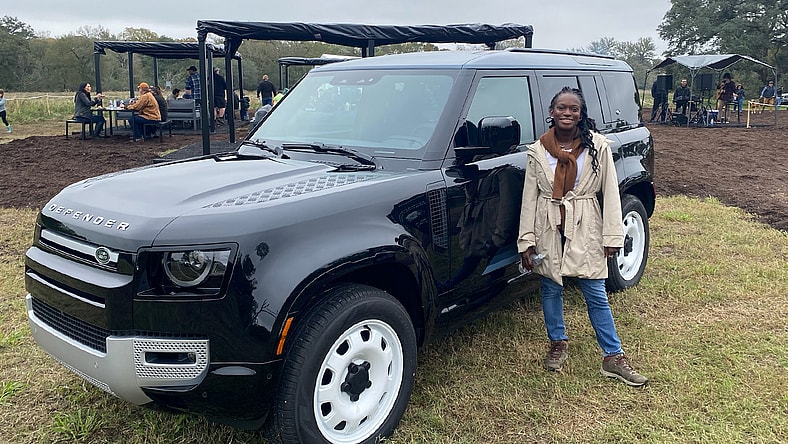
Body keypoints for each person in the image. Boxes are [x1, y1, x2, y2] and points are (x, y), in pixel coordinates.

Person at [517, 86, 648, 387]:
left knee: (595, 291)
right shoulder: (537, 151)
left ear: (580, 114)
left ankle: (613, 357)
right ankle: (558, 342)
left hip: (586, 221)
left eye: (573, 109)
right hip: (547, 225)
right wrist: (526, 240)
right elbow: (529, 197)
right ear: (551, 112)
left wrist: (612, 234)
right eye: (561, 108)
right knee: (551, 286)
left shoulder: (598, 147)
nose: (567, 113)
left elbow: (611, 193)